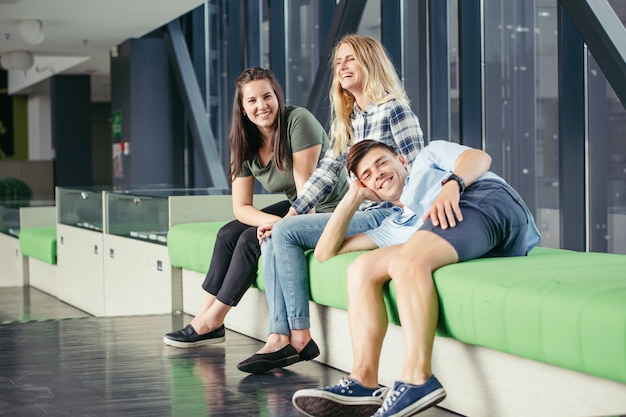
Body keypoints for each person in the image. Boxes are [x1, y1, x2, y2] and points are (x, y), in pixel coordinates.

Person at [291, 139, 541, 417]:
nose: (378, 174)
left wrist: (452, 186)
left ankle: (417, 379)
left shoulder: (427, 159)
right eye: (368, 176)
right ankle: (363, 380)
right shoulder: (395, 225)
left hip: (485, 199)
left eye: (382, 163)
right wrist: (353, 197)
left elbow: (480, 158)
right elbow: (326, 252)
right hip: (465, 238)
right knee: (361, 268)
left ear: (401, 160)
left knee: (405, 262)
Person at [237, 34, 424, 374]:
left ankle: (299, 336)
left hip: (386, 213)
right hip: (359, 210)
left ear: (370, 61)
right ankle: (280, 335)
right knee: (273, 236)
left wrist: (408, 223)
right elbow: (325, 172)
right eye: (338, 62)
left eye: (350, 59)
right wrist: (292, 213)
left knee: (284, 232)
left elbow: (417, 170)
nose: (342, 67)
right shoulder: (350, 118)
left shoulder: (394, 109)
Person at [163, 67, 348, 348]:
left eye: (267, 96)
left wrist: (284, 225)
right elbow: (241, 207)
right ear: (243, 108)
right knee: (228, 233)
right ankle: (204, 316)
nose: (262, 106)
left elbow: (306, 195)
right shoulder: (244, 141)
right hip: (296, 205)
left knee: (251, 239)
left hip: (328, 207)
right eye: (252, 100)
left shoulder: (299, 122)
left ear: (277, 97)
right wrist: (272, 221)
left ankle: (213, 320)